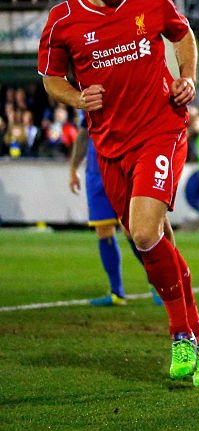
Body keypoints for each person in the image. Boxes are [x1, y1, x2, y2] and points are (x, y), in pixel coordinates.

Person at [37, 0, 199, 387]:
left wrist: (189, 78)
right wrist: (78, 99)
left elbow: (183, 35)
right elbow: (51, 79)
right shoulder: (63, 21)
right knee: (156, 242)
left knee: (141, 232)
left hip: (161, 128)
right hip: (111, 147)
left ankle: (181, 333)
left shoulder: (150, 0)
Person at [69, 124, 162, 307]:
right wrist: (73, 168)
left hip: (121, 165)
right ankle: (116, 292)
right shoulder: (89, 97)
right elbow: (83, 133)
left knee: (133, 230)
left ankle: (159, 284)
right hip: (95, 173)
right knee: (103, 230)